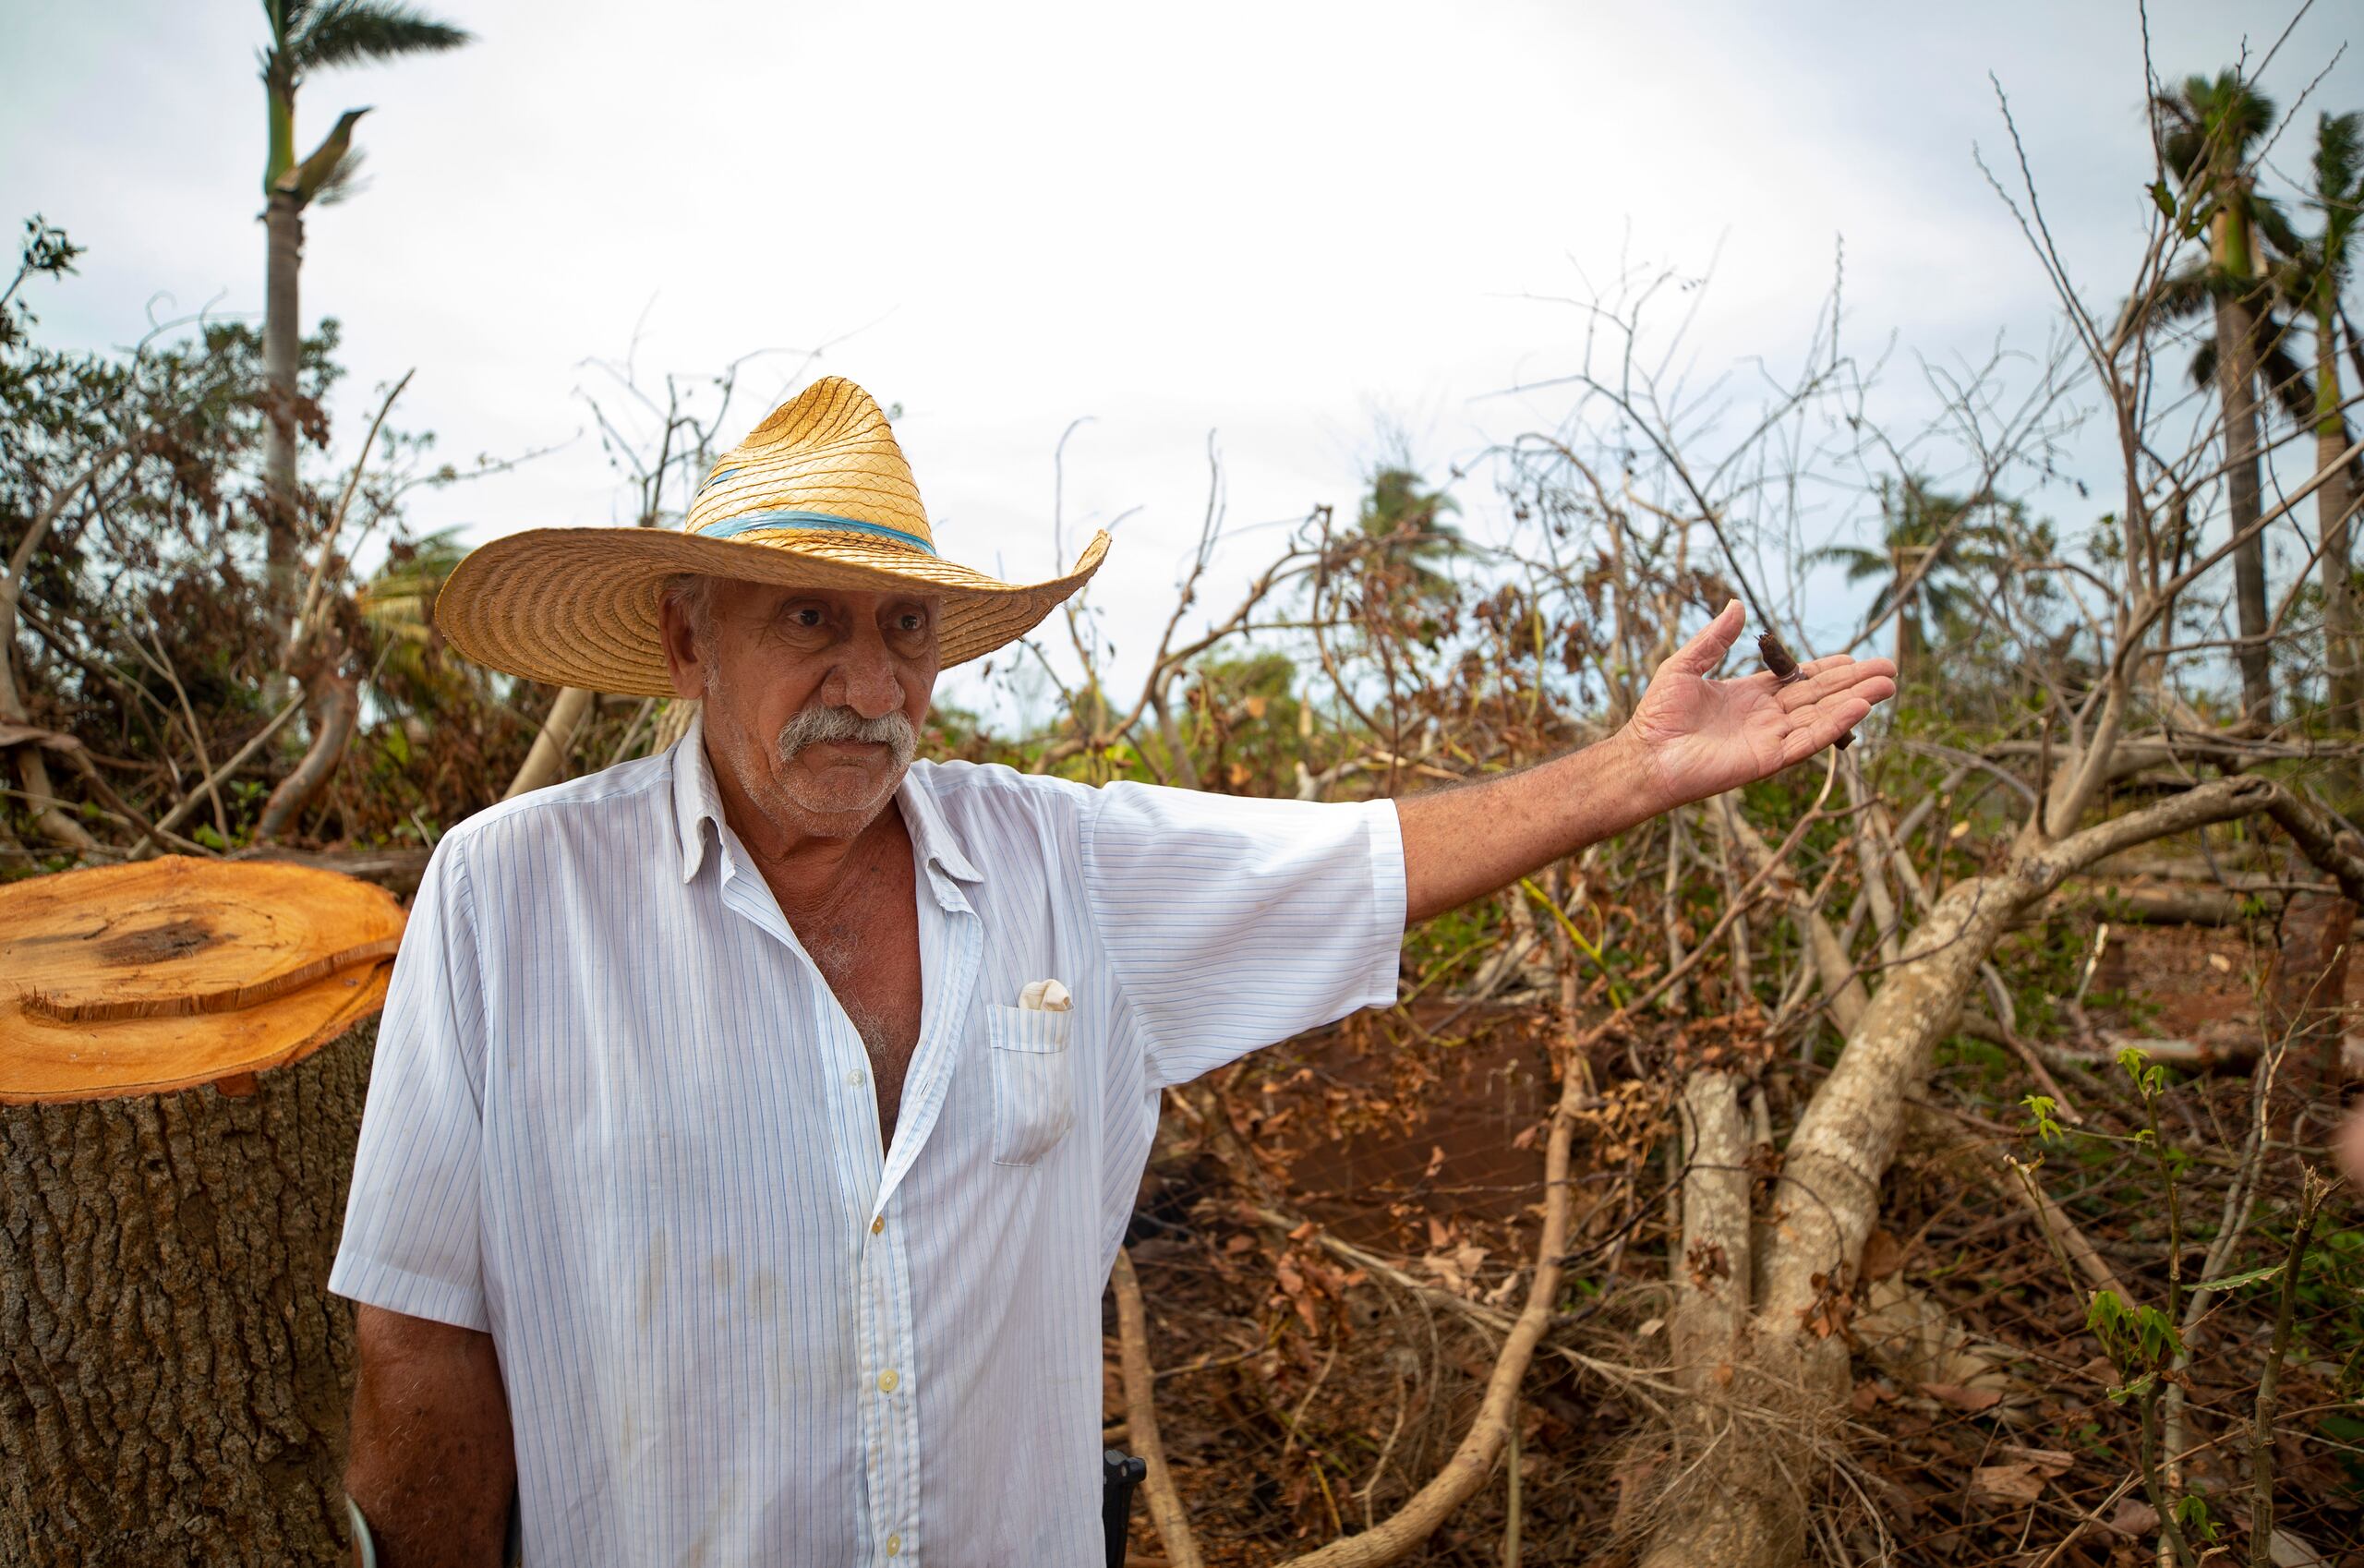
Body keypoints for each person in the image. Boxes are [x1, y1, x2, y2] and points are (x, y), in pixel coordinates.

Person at [330, 377, 1896, 1567]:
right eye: (809, 619)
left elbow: (1367, 858)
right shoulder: (510, 899)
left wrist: (1631, 771)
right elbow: (419, 1343)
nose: (869, 685)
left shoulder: (1062, 865)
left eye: (906, 630)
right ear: (688, 640)